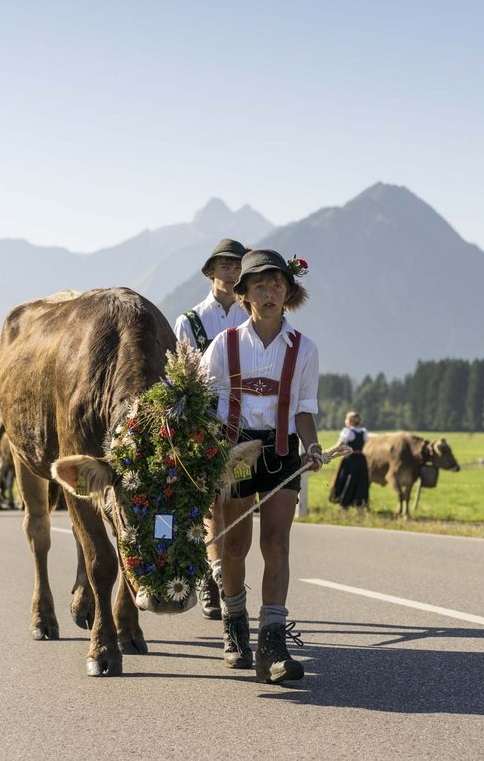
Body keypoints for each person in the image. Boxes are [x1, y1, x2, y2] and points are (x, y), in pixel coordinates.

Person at [201, 248, 322, 683]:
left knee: (276, 543)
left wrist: (311, 447)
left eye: (277, 285)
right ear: (245, 295)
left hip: (283, 449)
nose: (269, 293)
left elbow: (305, 408)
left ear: (288, 292)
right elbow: (203, 405)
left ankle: (272, 644)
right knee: (234, 546)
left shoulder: (304, 348)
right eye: (259, 286)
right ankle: (235, 629)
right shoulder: (223, 345)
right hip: (235, 452)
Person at [174, 238, 250, 621]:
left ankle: (228, 578)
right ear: (210, 272)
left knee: (238, 499)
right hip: (205, 424)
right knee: (210, 504)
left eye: (237, 266)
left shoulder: (251, 316)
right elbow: (183, 380)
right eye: (225, 266)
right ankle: (210, 576)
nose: (232, 272)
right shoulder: (189, 321)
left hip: (246, 426)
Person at [329, 411, 369, 509]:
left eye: (346, 419)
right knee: (360, 482)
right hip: (361, 460)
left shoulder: (348, 432)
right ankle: (359, 505)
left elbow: (339, 445)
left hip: (350, 460)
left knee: (347, 481)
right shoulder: (364, 432)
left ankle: (345, 504)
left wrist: (327, 452)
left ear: (350, 421)